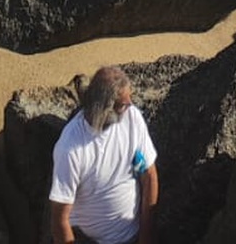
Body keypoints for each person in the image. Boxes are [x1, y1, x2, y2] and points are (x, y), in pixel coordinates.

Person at [46, 64, 158, 244]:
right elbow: (59, 219)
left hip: (135, 235)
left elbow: (149, 175)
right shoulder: (70, 148)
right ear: (105, 109)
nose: (130, 105)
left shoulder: (132, 118)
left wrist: (146, 237)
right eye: (122, 104)